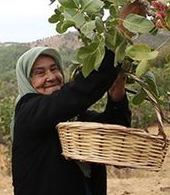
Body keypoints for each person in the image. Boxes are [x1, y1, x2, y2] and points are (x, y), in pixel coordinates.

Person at [10, 45, 131, 195]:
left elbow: (115, 131)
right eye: (40, 73)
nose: (51, 77)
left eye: (54, 69)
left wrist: (116, 96)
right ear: (27, 80)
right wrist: (112, 51)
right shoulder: (28, 111)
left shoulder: (73, 117)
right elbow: (76, 94)